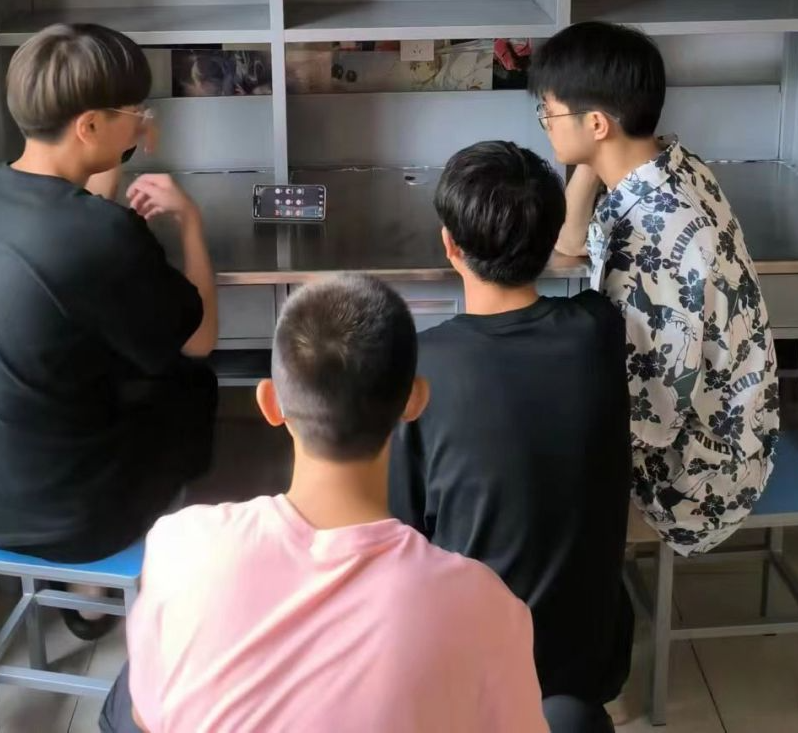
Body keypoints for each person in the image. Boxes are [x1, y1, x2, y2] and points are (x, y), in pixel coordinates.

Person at [101, 274, 550, 733]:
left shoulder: (180, 546)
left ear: (270, 404)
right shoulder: (486, 607)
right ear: (415, 400)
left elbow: (144, 717)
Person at [0, 23, 219, 636]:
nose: (144, 122)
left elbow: (76, 214)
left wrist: (119, 151)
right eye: (135, 112)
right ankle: (91, 592)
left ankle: (75, 580)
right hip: (67, 516)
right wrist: (190, 223)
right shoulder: (102, 236)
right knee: (191, 384)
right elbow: (199, 338)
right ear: (88, 125)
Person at [389, 141, 632, 728]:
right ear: (549, 242)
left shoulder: (420, 366)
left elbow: (401, 532)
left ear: (450, 245)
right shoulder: (598, 330)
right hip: (588, 655)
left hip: (476, 666)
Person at [530, 21, 779, 556]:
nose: (545, 123)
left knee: (520, 474)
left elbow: (650, 419)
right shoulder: (670, 164)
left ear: (597, 123)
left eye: (548, 112)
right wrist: (590, 160)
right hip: (733, 432)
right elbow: (570, 243)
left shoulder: (652, 244)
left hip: (697, 481)